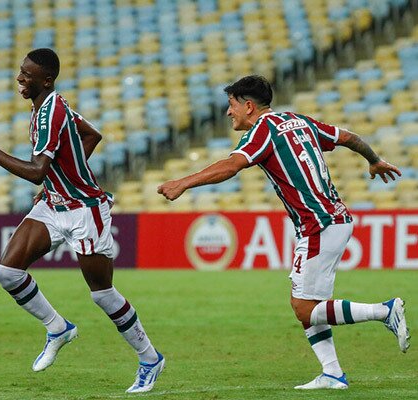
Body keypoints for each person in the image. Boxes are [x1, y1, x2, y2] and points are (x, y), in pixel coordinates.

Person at [158, 75, 410, 390]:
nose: (228, 113)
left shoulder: (263, 129)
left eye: (231, 105)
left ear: (248, 106)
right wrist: (374, 160)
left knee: (304, 307)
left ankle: (384, 311)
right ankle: (332, 373)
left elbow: (231, 166)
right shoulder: (297, 120)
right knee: (307, 304)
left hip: (319, 224)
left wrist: (183, 183)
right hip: (329, 220)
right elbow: (348, 137)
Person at [0, 48, 164, 394]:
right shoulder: (50, 105)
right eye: (20, 71)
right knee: (7, 272)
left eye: (27, 74)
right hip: (54, 204)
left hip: (84, 210)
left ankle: (150, 358)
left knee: (103, 294)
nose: (20, 78)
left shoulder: (49, 111)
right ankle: (57, 328)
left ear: (46, 80)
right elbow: (91, 135)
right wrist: (61, 180)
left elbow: (37, 172)